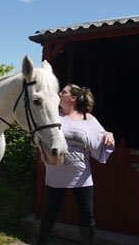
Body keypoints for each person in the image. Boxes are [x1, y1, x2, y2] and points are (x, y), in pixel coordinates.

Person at [36, 84, 115, 245]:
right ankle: (41, 242)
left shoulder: (88, 118)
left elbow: (101, 138)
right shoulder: (53, 116)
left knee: (87, 215)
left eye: (63, 92)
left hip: (81, 176)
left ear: (73, 98)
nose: (59, 93)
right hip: (56, 174)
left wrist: (108, 134)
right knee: (51, 212)